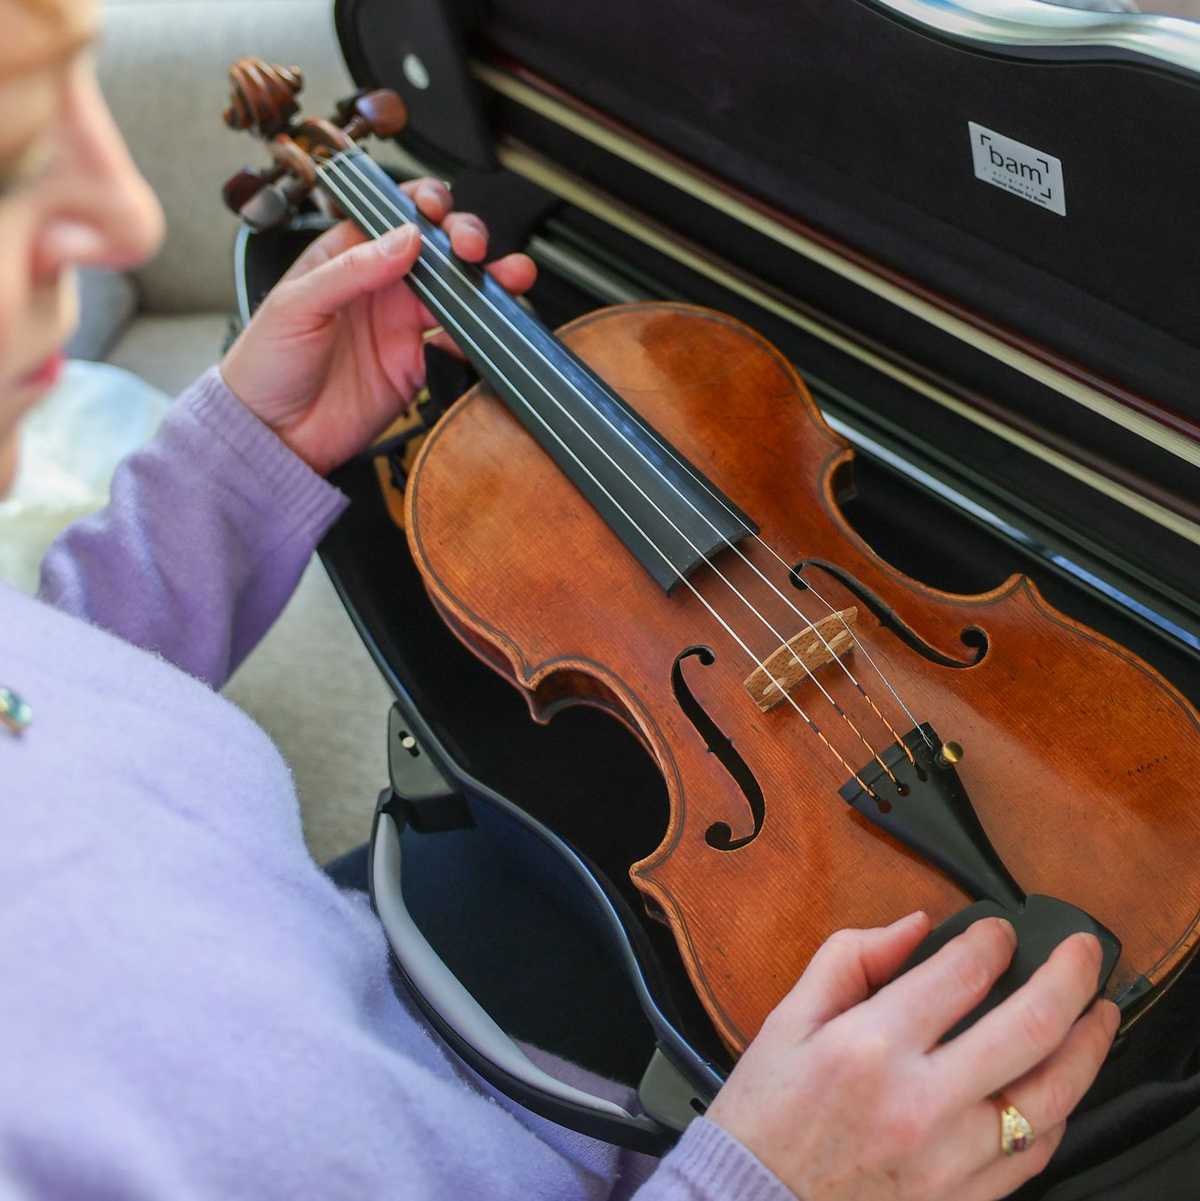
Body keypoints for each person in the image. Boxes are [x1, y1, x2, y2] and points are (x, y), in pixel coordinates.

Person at [0, 0, 1119, 1197]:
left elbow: (46, 698)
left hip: (423, 1018)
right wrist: (764, 1181)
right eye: (11, 163)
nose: (124, 216)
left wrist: (233, 470)